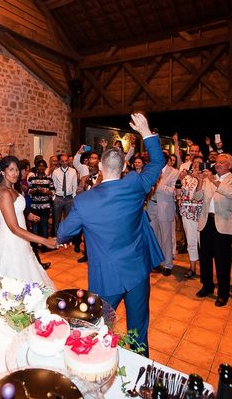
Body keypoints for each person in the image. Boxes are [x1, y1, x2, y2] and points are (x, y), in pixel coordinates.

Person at [56, 113, 163, 353]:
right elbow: (157, 163)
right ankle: (137, 374)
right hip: (137, 273)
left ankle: (98, 368)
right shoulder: (135, 183)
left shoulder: (84, 202)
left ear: (101, 167)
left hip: (107, 277)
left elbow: (63, 232)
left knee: (98, 328)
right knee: (138, 331)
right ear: (125, 166)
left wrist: (62, 237)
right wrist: (146, 133)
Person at [0, 156, 58, 287]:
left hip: (19, 238)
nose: (15, 173)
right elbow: (14, 228)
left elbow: (14, 209)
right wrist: (44, 240)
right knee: (14, 279)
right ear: (2, 172)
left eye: (17, 170)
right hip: (10, 238)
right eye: (11, 170)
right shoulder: (4, 193)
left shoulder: (12, 188)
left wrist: (28, 215)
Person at [193, 153, 232, 307]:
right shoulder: (208, 178)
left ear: (230, 165)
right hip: (206, 221)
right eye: (217, 162)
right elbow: (196, 198)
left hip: (223, 223)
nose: (218, 164)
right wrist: (201, 182)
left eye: (222, 162)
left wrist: (213, 180)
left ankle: (223, 293)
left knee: (222, 260)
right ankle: (207, 286)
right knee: (205, 257)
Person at [147, 152, 179, 276]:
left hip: (165, 206)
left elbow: (173, 191)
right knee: (154, 236)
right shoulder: (152, 170)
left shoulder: (174, 172)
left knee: (166, 237)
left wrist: (158, 185)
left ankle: (167, 264)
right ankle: (157, 262)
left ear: (165, 160)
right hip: (151, 205)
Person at [177, 157, 205, 279]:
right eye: (194, 162)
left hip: (201, 213)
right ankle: (192, 267)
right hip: (187, 212)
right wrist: (178, 197)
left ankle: (205, 269)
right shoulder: (185, 177)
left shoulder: (206, 177)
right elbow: (177, 186)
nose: (196, 165)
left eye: (199, 163)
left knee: (203, 242)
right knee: (191, 241)